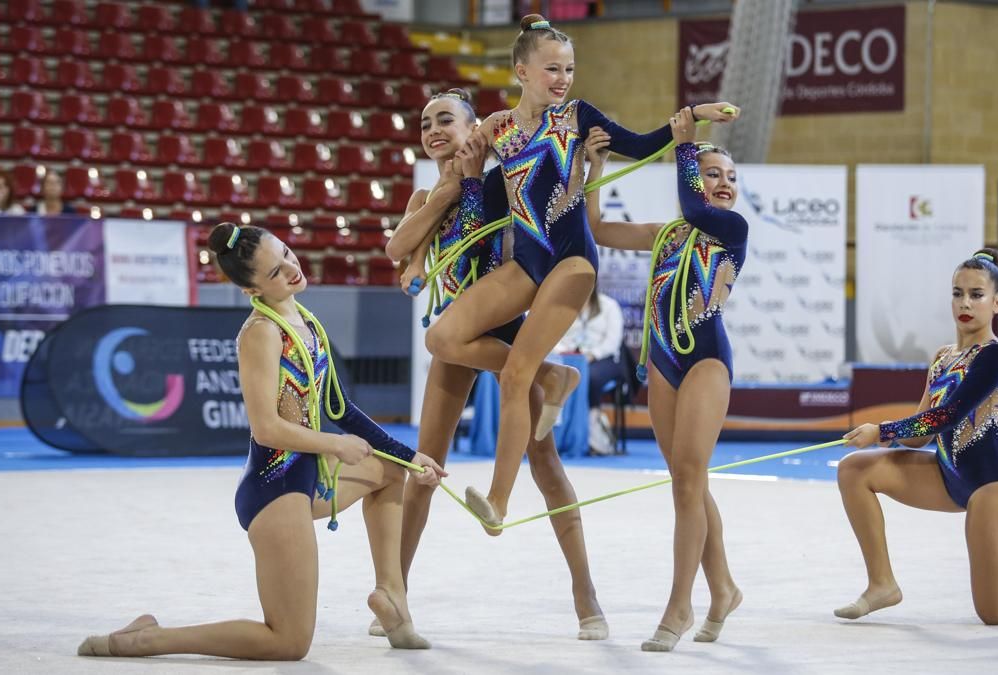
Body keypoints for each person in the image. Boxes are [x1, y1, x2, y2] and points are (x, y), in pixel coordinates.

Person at [423, 13, 738, 530]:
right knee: (444, 336)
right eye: (552, 69)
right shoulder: (495, 129)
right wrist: (441, 204)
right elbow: (471, 193)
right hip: (527, 262)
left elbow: (641, 142)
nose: (563, 78)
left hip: (571, 262)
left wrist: (693, 116)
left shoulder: (575, 117)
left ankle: (499, 500)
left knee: (515, 375)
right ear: (521, 70)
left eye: (568, 69)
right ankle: (559, 375)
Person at [77, 223, 445, 660]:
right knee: (288, 642)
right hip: (277, 488)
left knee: (390, 470)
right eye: (275, 272)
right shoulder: (260, 333)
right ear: (253, 290)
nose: (291, 268)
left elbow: (340, 408)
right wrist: (333, 445)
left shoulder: (305, 319)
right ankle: (149, 638)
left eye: (287, 253)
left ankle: (392, 596)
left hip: (312, 475)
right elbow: (266, 428)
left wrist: (411, 454)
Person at [383, 89, 608, 640]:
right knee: (423, 468)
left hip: (502, 327)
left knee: (545, 462)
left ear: (474, 127)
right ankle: (394, 593)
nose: (434, 130)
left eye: (446, 121)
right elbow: (399, 249)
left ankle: (587, 596)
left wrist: (478, 174)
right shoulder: (423, 196)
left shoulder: (502, 180)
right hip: (456, 338)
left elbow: (533, 221)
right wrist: (439, 204)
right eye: (425, 122)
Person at [585, 108, 746, 651]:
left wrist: (683, 147)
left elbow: (693, 207)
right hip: (661, 363)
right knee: (687, 482)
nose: (722, 183)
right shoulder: (666, 233)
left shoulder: (729, 229)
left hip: (705, 361)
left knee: (689, 477)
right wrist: (596, 167)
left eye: (730, 177)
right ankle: (723, 587)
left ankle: (680, 606)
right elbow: (598, 228)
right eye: (712, 173)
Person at [836, 248, 998, 626]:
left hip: (990, 484)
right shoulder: (942, 358)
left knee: (994, 612)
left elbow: (948, 416)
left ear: (997, 302)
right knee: (854, 471)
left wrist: (881, 431)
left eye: (976, 295)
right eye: (957, 293)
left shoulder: (997, 356)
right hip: (946, 477)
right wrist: (886, 436)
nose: (965, 303)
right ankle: (882, 583)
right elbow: (920, 431)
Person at [553, 282, 624, 455]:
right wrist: (564, 351)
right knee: (557, 375)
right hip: (568, 356)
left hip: (603, 358)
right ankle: (562, 435)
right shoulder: (564, 305)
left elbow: (613, 341)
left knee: (589, 377)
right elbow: (554, 335)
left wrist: (593, 354)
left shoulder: (609, 306)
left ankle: (591, 432)